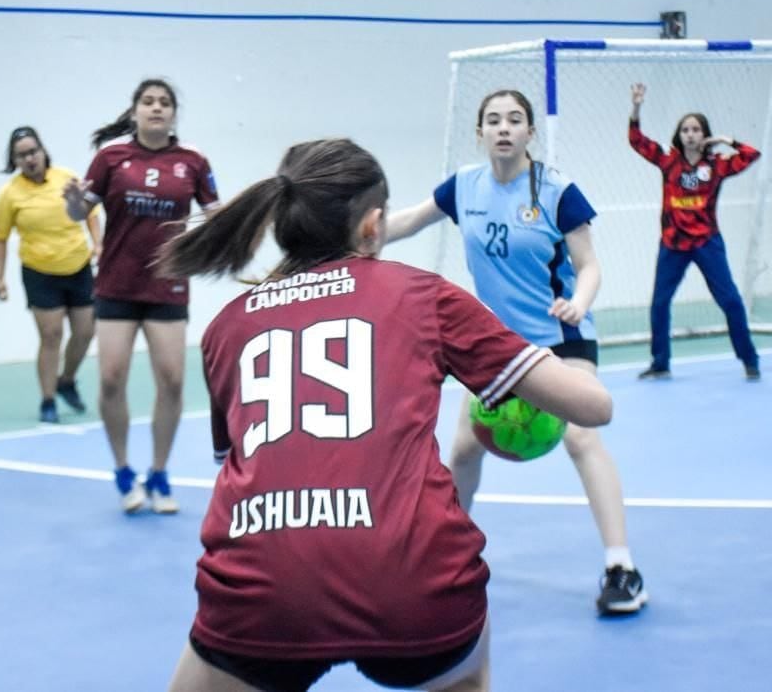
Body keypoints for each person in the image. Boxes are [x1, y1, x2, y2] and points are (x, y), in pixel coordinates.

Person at [157, 138, 614, 692]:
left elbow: (236, 463)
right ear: (374, 225)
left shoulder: (227, 326)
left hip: (263, 589)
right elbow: (594, 407)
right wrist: (530, 360)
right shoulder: (421, 295)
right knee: (464, 656)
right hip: (415, 586)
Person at [385, 89, 647, 616]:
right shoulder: (464, 187)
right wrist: (348, 239)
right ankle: (445, 557)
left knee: (580, 436)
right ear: (479, 133)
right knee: (462, 450)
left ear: (530, 132)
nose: (503, 128)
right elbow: (407, 222)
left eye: (515, 120)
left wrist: (579, 300)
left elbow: (589, 264)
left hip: (559, 336)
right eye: (493, 120)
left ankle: (623, 568)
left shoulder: (557, 192)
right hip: (493, 345)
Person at [63, 79, 220, 514]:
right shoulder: (111, 157)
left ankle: (159, 472)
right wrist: (74, 203)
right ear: (134, 111)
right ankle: (123, 471)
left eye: (164, 103)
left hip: (167, 287)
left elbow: (214, 215)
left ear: (173, 114)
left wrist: (231, 219)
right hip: (116, 285)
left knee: (171, 381)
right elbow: (79, 212)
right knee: (111, 379)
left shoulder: (193, 161)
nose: (156, 108)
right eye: (148, 102)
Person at [627, 82, 762, 381]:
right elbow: (636, 140)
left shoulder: (717, 165)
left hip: (707, 243)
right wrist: (636, 108)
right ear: (679, 134)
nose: (690, 134)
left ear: (704, 134)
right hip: (672, 244)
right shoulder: (667, 160)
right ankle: (660, 363)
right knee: (660, 303)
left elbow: (752, 154)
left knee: (730, 300)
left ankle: (750, 360)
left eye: (696, 130)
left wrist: (727, 140)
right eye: (686, 130)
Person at [0, 125, 100, 424]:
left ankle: (67, 380)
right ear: (14, 160)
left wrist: (98, 244)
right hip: (39, 272)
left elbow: (90, 213)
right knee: (51, 336)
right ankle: (48, 399)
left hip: (78, 267)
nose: (29, 159)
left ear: (43, 151)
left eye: (33, 152)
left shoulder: (66, 178)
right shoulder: (10, 194)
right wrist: (0, 279)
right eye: (21, 155)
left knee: (86, 332)